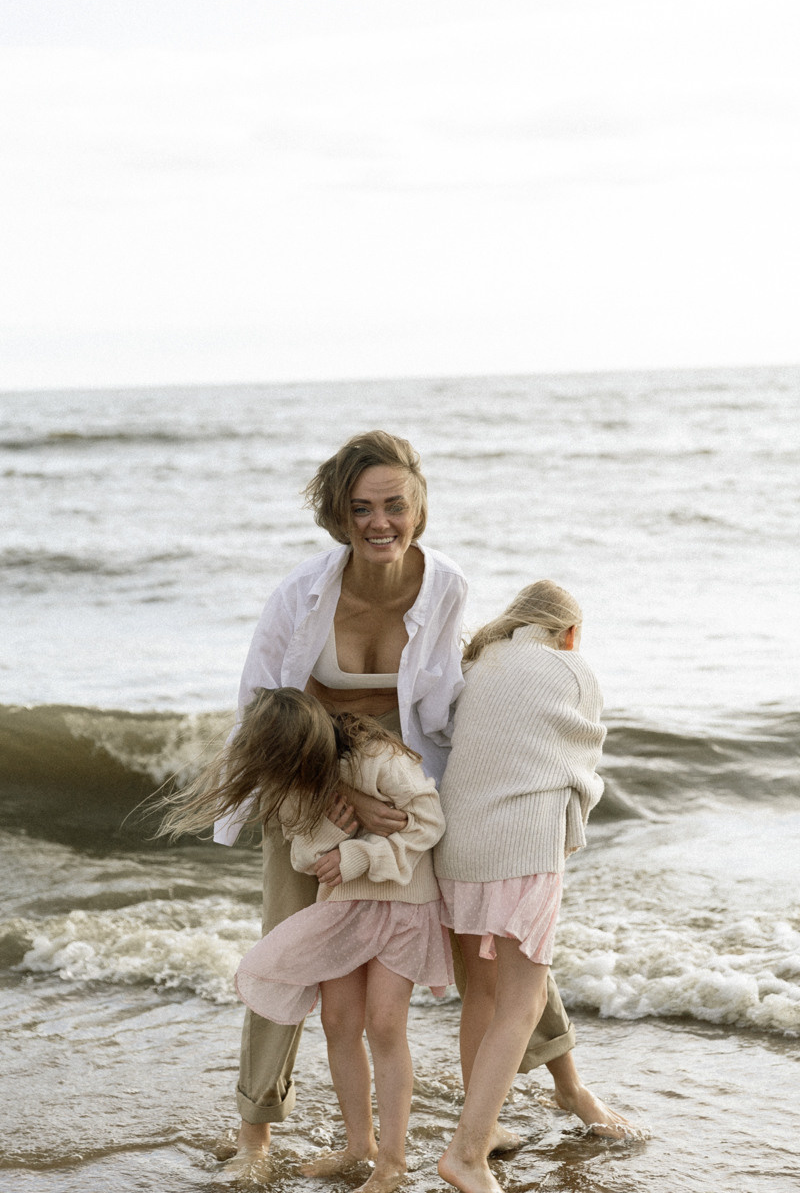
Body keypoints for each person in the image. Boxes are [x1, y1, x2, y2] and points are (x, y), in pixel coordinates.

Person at [212, 431, 617, 1171]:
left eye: (394, 504)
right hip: (310, 783)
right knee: (288, 943)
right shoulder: (300, 596)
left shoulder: (445, 585)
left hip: (409, 783)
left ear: (418, 504)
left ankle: (566, 1082)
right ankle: (255, 1135)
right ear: (339, 516)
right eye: (360, 508)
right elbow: (261, 708)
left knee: (493, 932)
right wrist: (337, 795)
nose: (379, 522)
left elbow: (453, 700)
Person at [162, 686, 453, 1193]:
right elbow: (302, 855)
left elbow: (430, 823)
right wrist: (331, 841)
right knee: (338, 1021)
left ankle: (393, 1161)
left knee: (385, 1025)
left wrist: (358, 857)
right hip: (340, 908)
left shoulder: (379, 758)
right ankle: (358, 1145)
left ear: (315, 747)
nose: (296, 780)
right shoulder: (295, 782)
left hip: (404, 902)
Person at [434, 581, 631, 1193]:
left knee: (485, 994)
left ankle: (488, 1127)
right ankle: (466, 1154)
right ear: (569, 632)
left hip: (456, 845)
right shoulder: (571, 670)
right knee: (521, 1001)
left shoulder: (478, 663)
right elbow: (581, 759)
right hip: (523, 846)